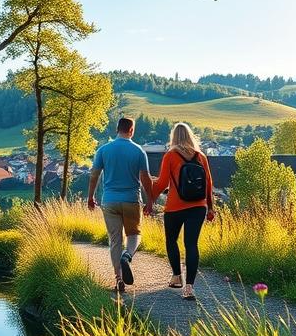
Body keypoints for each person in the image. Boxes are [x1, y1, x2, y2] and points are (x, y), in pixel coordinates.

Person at [87, 117, 154, 293]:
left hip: (109, 201)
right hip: (131, 200)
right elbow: (146, 178)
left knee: (115, 240)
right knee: (134, 234)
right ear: (131, 130)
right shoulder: (139, 151)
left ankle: (118, 280)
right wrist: (150, 201)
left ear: (117, 129)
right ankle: (127, 255)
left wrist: (90, 196)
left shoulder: (103, 150)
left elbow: (94, 175)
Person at [150, 122, 215, 301]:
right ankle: (189, 288)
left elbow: (162, 183)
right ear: (190, 136)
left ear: (173, 137)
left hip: (175, 206)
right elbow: (209, 184)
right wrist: (211, 208)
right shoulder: (201, 156)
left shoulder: (170, 155)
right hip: (198, 206)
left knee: (171, 240)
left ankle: (177, 276)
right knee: (191, 245)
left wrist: (150, 201)